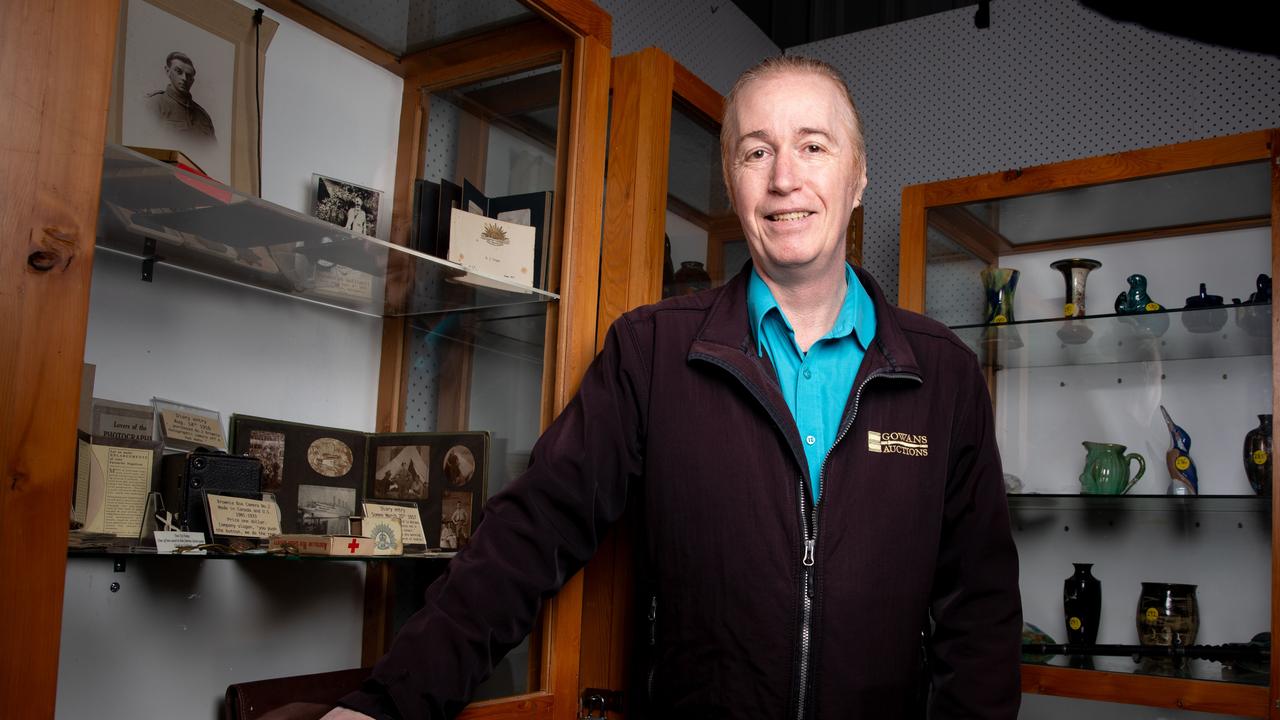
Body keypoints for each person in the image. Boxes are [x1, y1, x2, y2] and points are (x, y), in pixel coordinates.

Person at [324, 55, 1020, 720]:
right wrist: (390, 704)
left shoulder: (945, 374)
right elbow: (531, 533)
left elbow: (980, 616)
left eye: (813, 146)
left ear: (859, 175)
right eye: (756, 152)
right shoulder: (651, 351)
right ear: (730, 180)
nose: (784, 178)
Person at [147, 51, 215, 138]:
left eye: (189, 75)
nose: (184, 78)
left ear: (192, 81)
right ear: (168, 71)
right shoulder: (155, 104)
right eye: (178, 71)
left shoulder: (203, 117)